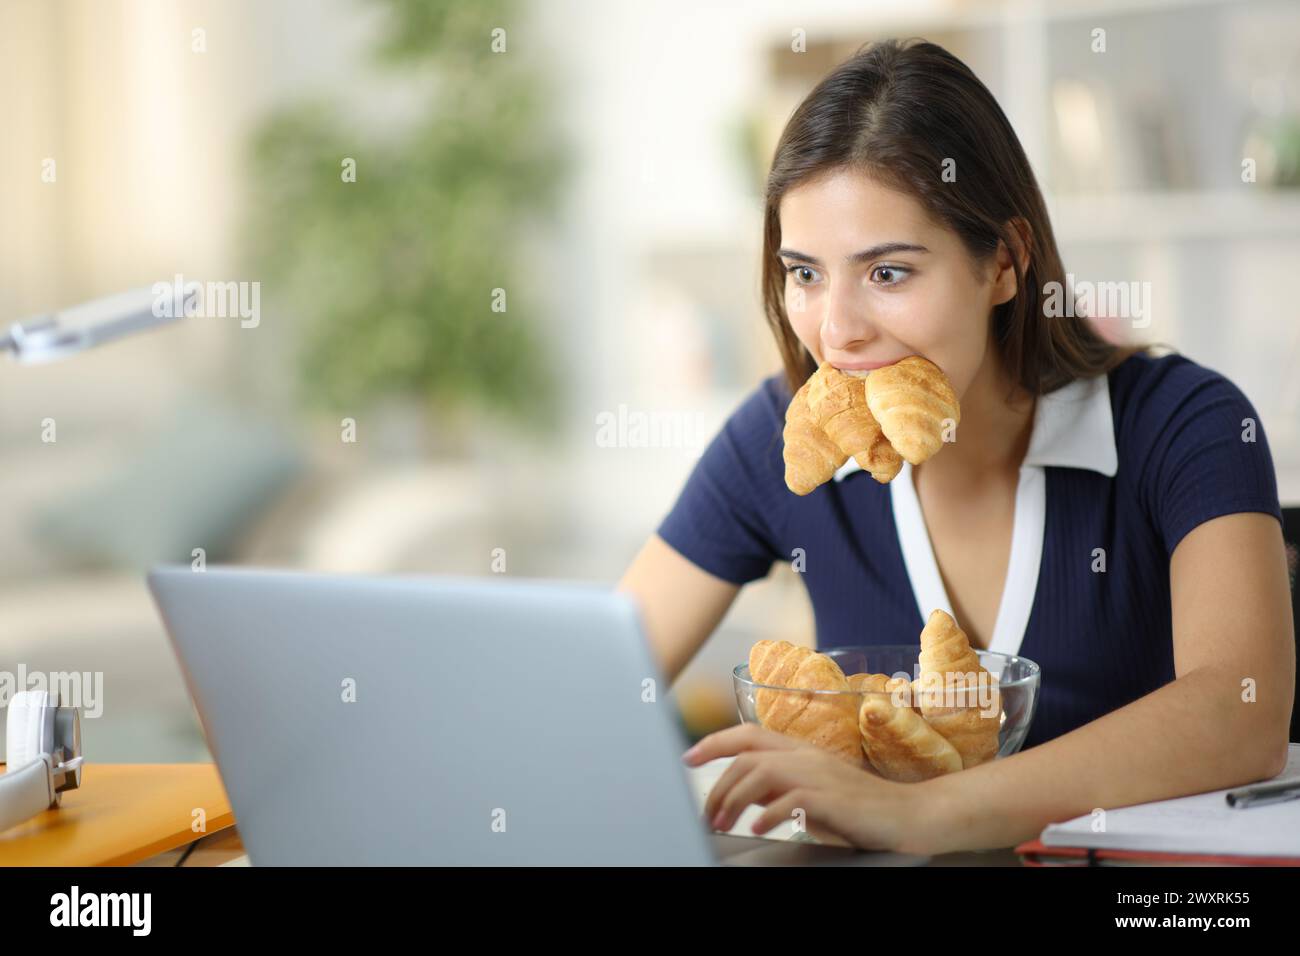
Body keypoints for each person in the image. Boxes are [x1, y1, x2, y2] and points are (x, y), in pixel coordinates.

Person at [616, 38, 1295, 855]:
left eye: (888, 273)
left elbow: (1241, 714)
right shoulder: (783, 435)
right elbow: (599, 678)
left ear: (1004, 262)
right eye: (804, 273)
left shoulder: (1184, 424)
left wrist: (920, 815)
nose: (837, 331)